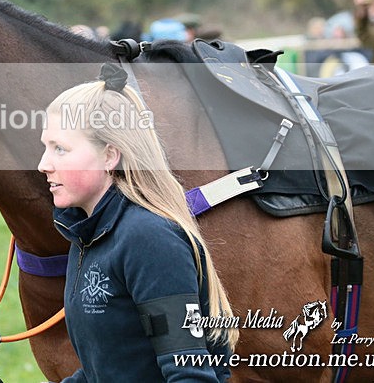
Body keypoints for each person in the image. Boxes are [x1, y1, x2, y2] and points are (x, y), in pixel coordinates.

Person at [37, 64, 237, 382]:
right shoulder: (87, 235)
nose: (43, 164)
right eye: (46, 147)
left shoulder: (149, 239)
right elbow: (110, 368)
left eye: (60, 149)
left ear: (109, 156)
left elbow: (190, 376)